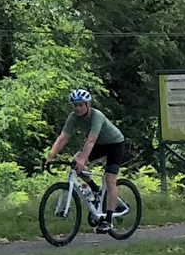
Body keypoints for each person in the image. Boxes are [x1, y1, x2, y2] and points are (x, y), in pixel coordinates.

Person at [44, 90, 127, 234]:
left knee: (109, 179)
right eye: (74, 105)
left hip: (115, 144)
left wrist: (83, 159)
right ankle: (95, 190)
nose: (77, 108)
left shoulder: (97, 115)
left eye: (80, 105)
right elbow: (63, 138)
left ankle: (108, 220)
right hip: (100, 144)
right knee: (75, 163)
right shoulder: (73, 117)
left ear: (88, 105)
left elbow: (91, 140)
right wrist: (49, 157)